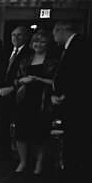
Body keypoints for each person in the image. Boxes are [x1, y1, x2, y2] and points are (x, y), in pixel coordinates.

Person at [51, 21, 92, 183]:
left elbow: (81, 77)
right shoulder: (81, 45)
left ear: (61, 30)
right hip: (78, 105)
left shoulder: (81, 47)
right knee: (77, 145)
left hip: (80, 107)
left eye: (54, 34)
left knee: (78, 145)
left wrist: (64, 95)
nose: (54, 39)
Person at [13, 30, 58, 174]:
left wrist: (38, 79)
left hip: (42, 100)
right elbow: (16, 79)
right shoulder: (26, 59)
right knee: (21, 133)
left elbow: (57, 82)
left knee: (40, 134)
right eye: (36, 42)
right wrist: (22, 80)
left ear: (48, 44)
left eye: (42, 42)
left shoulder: (53, 61)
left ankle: (39, 163)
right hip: (25, 99)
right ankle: (23, 162)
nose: (38, 44)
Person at [0, 26, 32, 158]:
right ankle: (3, 151)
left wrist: (12, 87)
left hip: (19, 92)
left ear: (26, 37)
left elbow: (26, 74)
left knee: (19, 125)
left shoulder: (29, 53)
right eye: (13, 35)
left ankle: (19, 152)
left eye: (19, 35)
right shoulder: (7, 52)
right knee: (3, 123)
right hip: (3, 93)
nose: (15, 38)